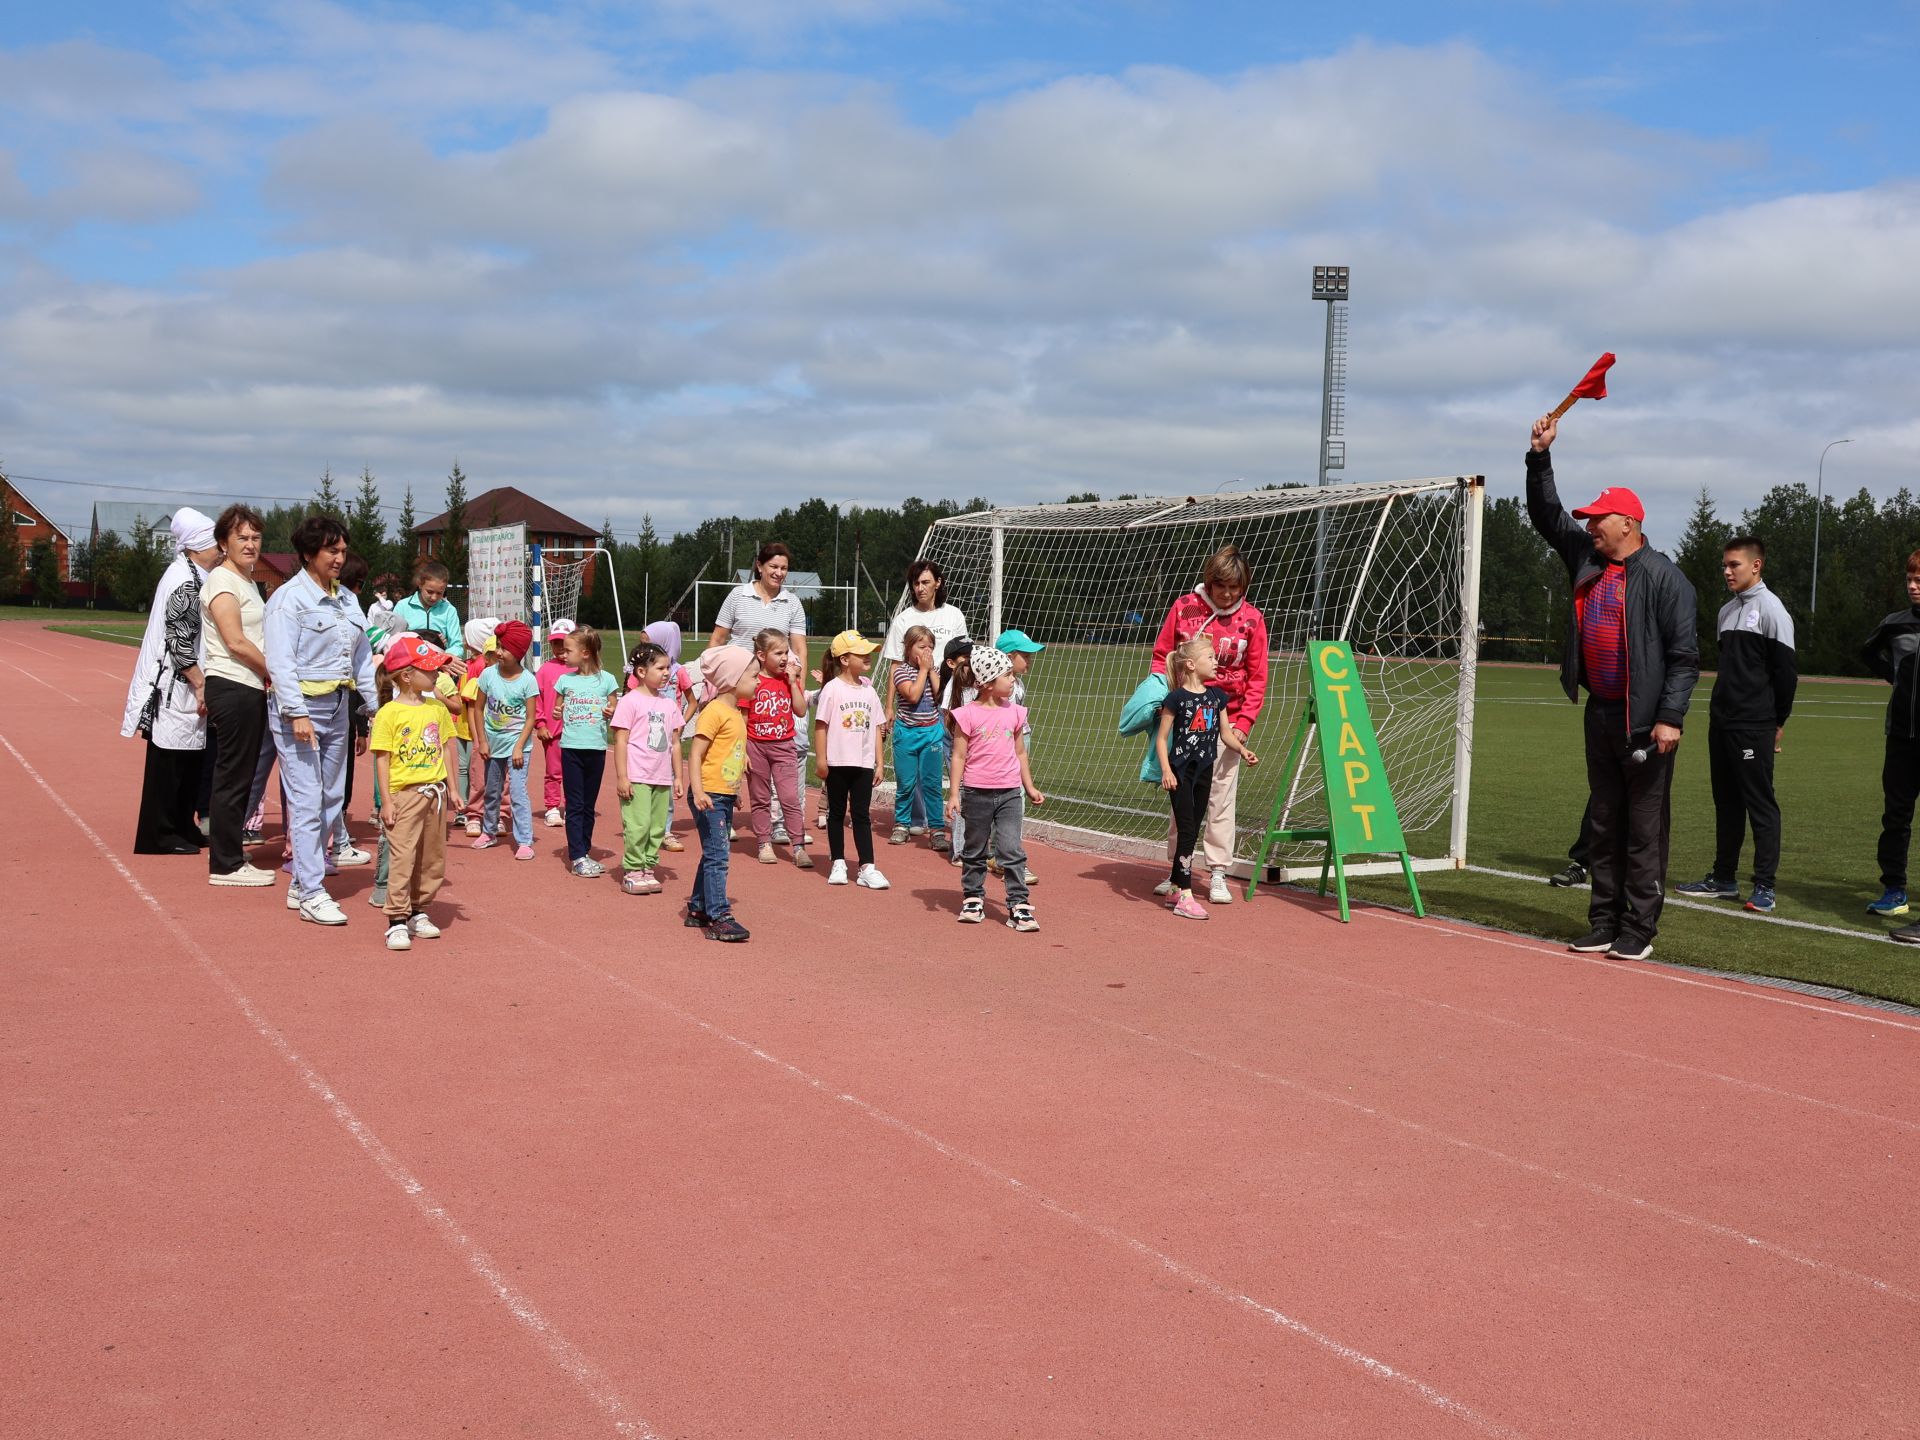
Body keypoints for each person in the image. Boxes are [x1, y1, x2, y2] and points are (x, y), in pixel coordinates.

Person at [1526, 413, 1698, 961]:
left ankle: (1637, 930)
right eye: (1591, 519)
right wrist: (1540, 457)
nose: (1591, 525)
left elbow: (1684, 658)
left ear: (1630, 522)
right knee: (1603, 821)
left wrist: (1671, 717)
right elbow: (1547, 515)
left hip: (1644, 722)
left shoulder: (1666, 578)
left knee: (1643, 829)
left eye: (1600, 518)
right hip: (1600, 713)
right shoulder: (1586, 557)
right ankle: (1602, 921)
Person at [263, 513, 379, 926]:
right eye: (332, 550)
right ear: (309, 553)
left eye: (343, 550)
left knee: (333, 798)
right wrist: (295, 712)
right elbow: (279, 662)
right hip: (301, 712)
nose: (339, 558)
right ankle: (311, 890)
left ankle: (302, 883)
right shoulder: (287, 601)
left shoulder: (347, 599)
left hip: (338, 707)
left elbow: (361, 655)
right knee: (307, 799)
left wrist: (374, 705)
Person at [1673, 536, 1797, 913]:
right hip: (1721, 722)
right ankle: (1723, 878)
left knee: (1760, 804)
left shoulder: (1774, 611)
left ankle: (1765, 886)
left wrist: (1777, 721)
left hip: (1754, 724)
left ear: (1756, 566)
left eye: (1734, 565)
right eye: (1724, 565)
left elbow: (1786, 675)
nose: (1727, 572)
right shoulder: (1726, 611)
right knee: (1725, 802)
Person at [1149, 546, 1269, 905]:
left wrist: (1244, 723)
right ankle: (1177, 871)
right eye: (1222, 586)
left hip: (1225, 721)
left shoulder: (1252, 619)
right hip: (1184, 720)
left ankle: (1217, 871)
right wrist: (1160, 701)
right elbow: (1161, 656)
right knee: (1181, 799)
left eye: (1236, 587)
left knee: (1220, 797)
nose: (1228, 594)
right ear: (1209, 581)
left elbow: (1258, 676)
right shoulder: (1185, 607)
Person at [123, 508, 221, 854]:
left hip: (184, 686)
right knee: (168, 762)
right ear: (196, 547)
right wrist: (199, 682)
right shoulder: (183, 581)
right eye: (214, 544)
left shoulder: (195, 574)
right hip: (174, 687)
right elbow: (178, 642)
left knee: (189, 760)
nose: (220, 550)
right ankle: (159, 834)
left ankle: (182, 825)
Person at [710, 541, 810, 845]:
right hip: (739, 686)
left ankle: (780, 822)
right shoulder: (738, 596)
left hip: (777, 689)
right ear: (759, 565)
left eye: (783, 568)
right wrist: (713, 680)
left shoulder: (791, 603)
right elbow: (717, 638)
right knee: (735, 753)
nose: (778, 573)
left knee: (783, 751)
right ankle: (724, 815)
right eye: (773, 567)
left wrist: (798, 685)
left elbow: (800, 647)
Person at [1156, 635, 1260, 920]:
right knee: (1187, 830)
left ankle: (1176, 885)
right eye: (1210, 657)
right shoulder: (1175, 699)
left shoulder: (1217, 697)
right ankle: (1185, 896)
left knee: (1194, 827)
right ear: (1191, 664)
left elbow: (1225, 733)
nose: (1216, 662)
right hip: (1180, 772)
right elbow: (1162, 739)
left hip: (1205, 771)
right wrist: (1166, 770)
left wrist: (1243, 750)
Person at [200, 504, 275, 885]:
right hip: (234, 685)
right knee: (233, 775)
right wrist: (274, 673)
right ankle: (225, 864)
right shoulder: (222, 582)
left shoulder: (244, 580)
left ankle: (229, 854)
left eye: (255, 537)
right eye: (241, 537)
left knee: (241, 774)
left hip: (247, 686)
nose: (250, 544)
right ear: (223, 543)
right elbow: (235, 641)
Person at [370, 635, 459, 952]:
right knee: (403, 857)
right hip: (404, 795)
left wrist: (454, 789)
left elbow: (448, 748)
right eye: (430, 670)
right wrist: (386, 801)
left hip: (435, 796)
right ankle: (396, 919)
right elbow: (382, 758)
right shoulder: (389, 714)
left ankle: (418, 911)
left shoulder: (436, 708)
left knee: (432, 858)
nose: (437, 675)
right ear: (407, 675)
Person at [947, 645, 1044, 931]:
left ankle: (1018, 904)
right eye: (1007, 675)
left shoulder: (1015, 713)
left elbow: (1021, 753)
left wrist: (1029, 786)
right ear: (988, 683)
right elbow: (958, 756)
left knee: (1011, 848)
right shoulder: (967, 715)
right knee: (975, 847)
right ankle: (973, 897)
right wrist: (954, 794)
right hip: (976, 792)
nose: (1013, 680)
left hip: (1010, 793)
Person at [881, 559, 969, 834]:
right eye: (915, 583)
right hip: (915, 700)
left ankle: (961, 824)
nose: (920, 588)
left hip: (949, 699)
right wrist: (888, 706)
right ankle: (914, 820)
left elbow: (964, 658)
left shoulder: (953, 615)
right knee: (912, 771)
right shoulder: (904, 619)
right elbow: (895, 664)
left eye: (925, 582)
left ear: (938, 583)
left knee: (955, 760)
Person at [1861, 553, 1920, 923]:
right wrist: (1892, 675)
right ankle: (1894, 889)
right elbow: (1867, 652)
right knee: (1896, 817)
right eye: (1910, 579)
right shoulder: (1896, 624)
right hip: (1900, 737)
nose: (1913, 585)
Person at [687, 644, 757, 941]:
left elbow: (728, 756)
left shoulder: (735, 713)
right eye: (753, 676)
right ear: (732, 679)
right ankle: (719, 916)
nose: (757, 681)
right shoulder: (714, 711)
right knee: (719, 856)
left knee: (713, 853)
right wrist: (699, 791)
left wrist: (734, 790)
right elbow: (695, 754)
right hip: (708, 796)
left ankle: (699, 907)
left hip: (722, 794)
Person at [814, 630, 889, 890]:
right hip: (837, 762)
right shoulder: (832, 690)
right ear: (844, 659)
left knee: (861, 815)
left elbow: (878, 729)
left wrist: (879, 762)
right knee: (836, 813)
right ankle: (838, 862)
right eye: (861, 653)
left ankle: (867, 866)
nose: (868, 656)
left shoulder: (870, 692)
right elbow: (821, 726)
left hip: (863, 764)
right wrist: (821, 760)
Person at [612, 641, 686, 895]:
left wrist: (678, 776)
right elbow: (620, 740)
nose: (667, 673)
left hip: (662, 777)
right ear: (641, 671)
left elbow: (675, 744)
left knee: (657, 827)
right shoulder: (629, 702)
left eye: (668, 668)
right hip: (637, 776)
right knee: (638, 824)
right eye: (660, 668)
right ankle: (633, 869)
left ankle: (648, 867)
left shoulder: (669, 704)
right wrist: (623, 777)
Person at [745, 628, 816, 870]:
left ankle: (798, 846)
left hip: (784, 745)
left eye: (786, 652)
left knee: (789, 797)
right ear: (761, 655)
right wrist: (742, 750)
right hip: (755, 745)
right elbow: (743, 717)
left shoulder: (787, 680)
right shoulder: (751, 680)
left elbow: (800, 710)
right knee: (761, 797)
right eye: (778, 653)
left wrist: (795, 682)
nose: (785, 658)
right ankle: (764, 842)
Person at [553, 625, 619, 876]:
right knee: (575, 804)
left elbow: (615, 709)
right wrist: (557, 711)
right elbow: (557, 708)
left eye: (568, 650)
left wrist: (610, 711)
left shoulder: (607, 680)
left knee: (589, 805)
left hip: (596, 748)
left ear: (585, 653)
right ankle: (577, 855)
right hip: (571, 747)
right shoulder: (565, 680)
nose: (563, 654)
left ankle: (585, 851)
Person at [473, 619, 540, 860]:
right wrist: (482, 740)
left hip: (517, 746)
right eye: (498, 646)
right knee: (492, 790)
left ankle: (524, 840)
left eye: (503, 648)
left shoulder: (528, 681)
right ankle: (488, 831)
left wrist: (519, 747)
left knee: (518, 793)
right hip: (492, 744)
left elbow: (531, 718)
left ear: (519, 652)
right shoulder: (488, 675)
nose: (498, 652)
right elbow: (478, 709)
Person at [331, 550, 374, 868]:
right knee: (324, 778)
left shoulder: (349, 604)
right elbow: (361, 663)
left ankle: (337, 836)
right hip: (320, 703)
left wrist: (363, 724)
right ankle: (327, 844)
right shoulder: (341, 604)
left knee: (337, 775)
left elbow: (360, 667)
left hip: (343, 705)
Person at [994, 628, 1047, 885]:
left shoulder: (1017, 683)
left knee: (1013, 799)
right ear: (1008, 655)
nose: (1030, 660)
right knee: (1013, 801)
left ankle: (1000, 854)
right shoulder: (1006, 686)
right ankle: (1011, 860)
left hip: (1018, 741)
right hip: (1009, 745)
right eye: (1025, 655)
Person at [888, 625, 945, 849]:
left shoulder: (934, 671)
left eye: (930, 647)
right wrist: (922, 671)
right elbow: (912, 695)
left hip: (931, 732)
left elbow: (940, 695)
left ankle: (937, 829)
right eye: (922, 647)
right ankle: (902, 824)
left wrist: (930, 670)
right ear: (909, 648)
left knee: (932, 783)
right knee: (906, 782)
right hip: (907, 733)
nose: (926, 651)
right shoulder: (900, 671)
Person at [642, 618, 692, 852]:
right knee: (645, 778)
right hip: (646, 734)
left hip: (670, 737)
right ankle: (645, 826)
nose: (645, 650)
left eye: (649, 645)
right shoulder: (642, 673)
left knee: (668, 782)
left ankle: (666, 830)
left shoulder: (679, 671)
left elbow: (693, 700)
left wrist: (682, 723)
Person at [936, 637, 976, 864]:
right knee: (960, 792)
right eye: (965, 656)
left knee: (977, 795)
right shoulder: (955, 684)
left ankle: (977, 845)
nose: (971, 660)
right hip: (957, 745)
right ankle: (959, 849)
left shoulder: (979, 681)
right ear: (952, 663)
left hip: (977, 745)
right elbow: (948, 719)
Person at [534, 618, 576, 827]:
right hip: (553, 732)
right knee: (554, 771)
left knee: (575, 772)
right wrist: (540, 724)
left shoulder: (582, 669)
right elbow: (537, 699)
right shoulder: (545, 670)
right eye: (555, 642)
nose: (560, 648)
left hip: (578, 732)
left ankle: (573, 806)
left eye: (565, 642)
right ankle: (552, 807)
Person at [391, 559, 465, 664]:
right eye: (430, 592)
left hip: (440, 666)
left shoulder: (449, 610)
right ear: (420, 584)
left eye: (439, 593)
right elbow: (392, 640)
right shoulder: (403, 606)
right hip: (410, 665)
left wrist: (447, 655)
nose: (434, 597)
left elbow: (457, 645)